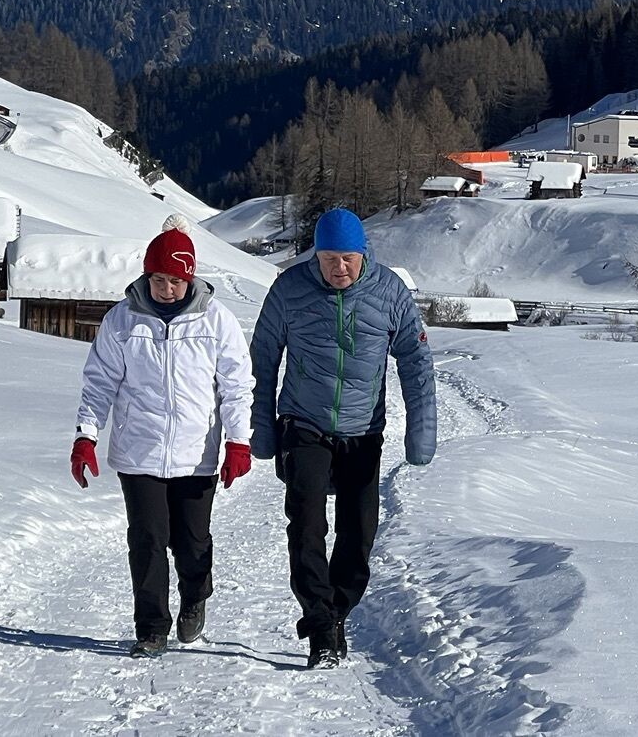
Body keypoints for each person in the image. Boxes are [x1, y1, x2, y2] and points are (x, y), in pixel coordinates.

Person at [250, 207, 435, 668]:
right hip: (303, 424)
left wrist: (421, 431)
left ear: (363, 254)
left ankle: (337, 610)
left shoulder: (389, 291)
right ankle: (319, 623)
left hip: (362, 431)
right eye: (329, 258)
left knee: (359, 532)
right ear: (316, 255)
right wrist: (261, 428)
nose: (339, 268)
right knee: (306, 523)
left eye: (348, 259)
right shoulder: (289, 290)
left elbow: (415, 361)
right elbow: (262, 358)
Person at [71, 217, 255, 658]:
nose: (167, 289)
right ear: (146, 276)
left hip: (196, 452)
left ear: (189, 278)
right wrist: (86, 436)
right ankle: (151, 628)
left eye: (175, 281)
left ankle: (195, 595)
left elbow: (236, 386)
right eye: (158, 280)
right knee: (148, 540)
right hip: (139, 451)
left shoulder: (216, 319)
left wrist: (238, 441)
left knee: (191, 542)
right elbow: (99, 383)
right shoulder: (122, 319)